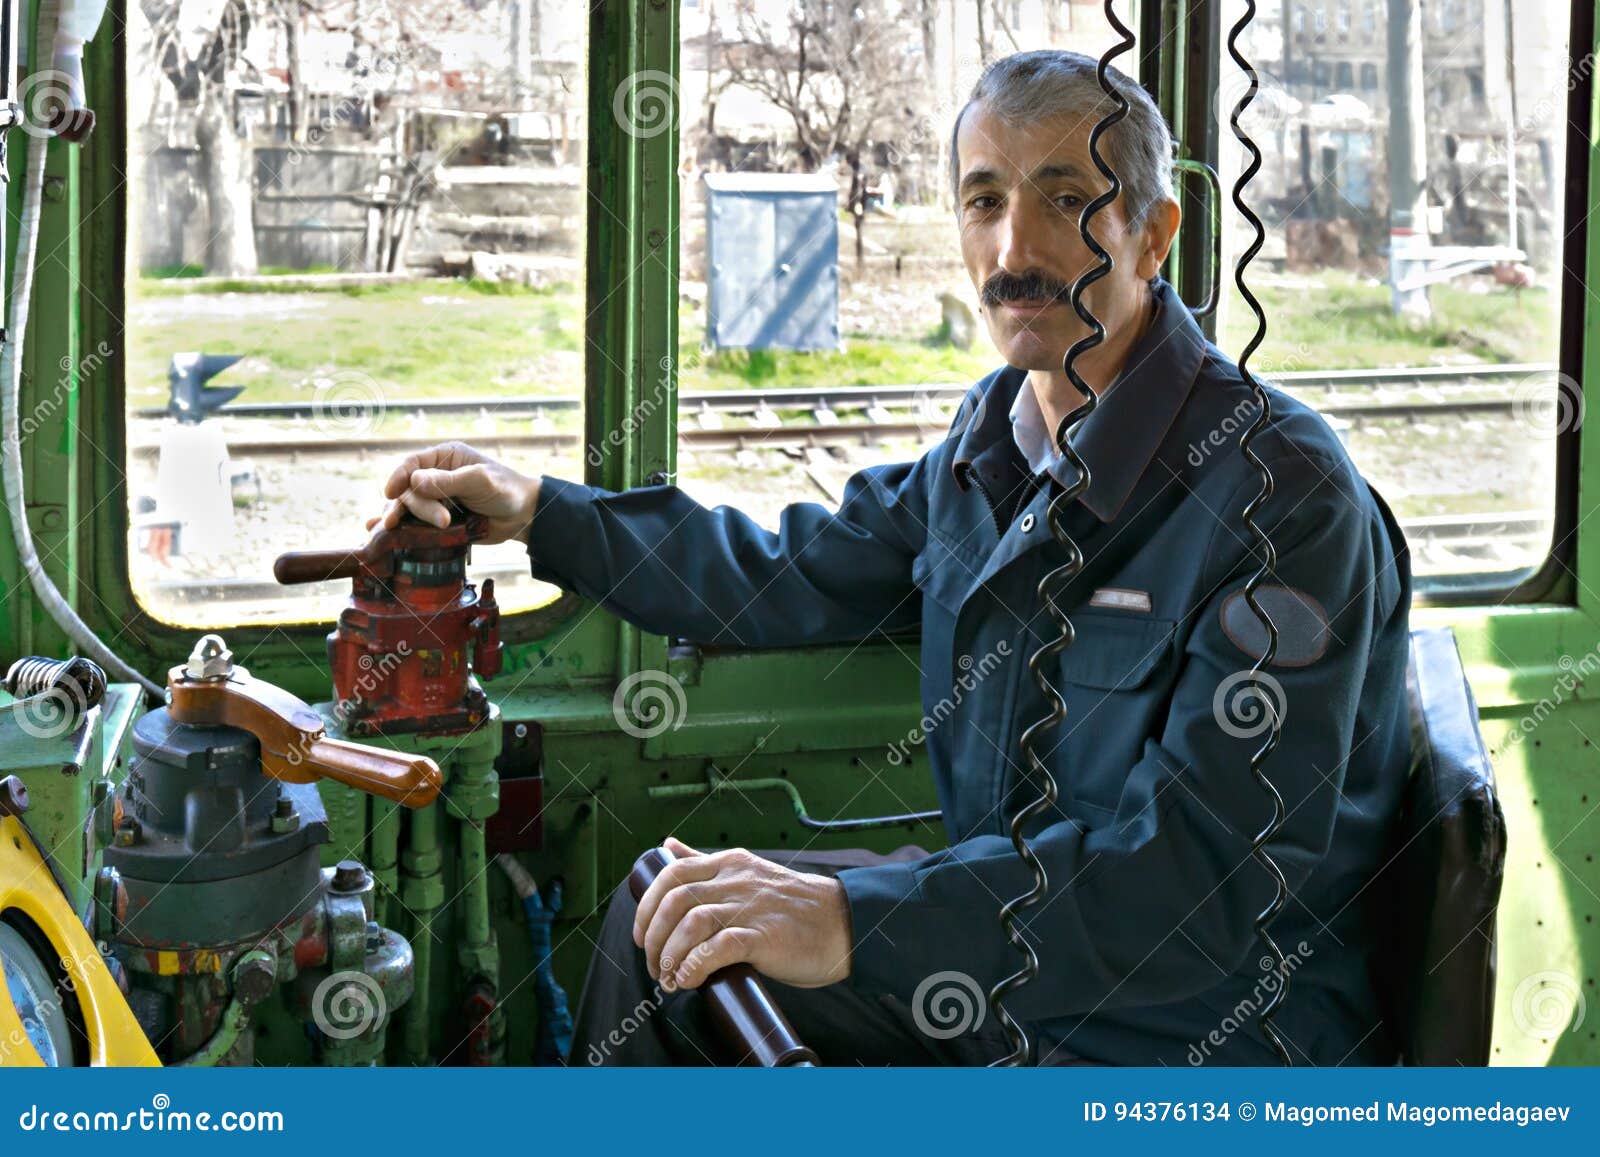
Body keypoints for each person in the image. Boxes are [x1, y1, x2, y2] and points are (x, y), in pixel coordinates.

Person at [371, 49, 1411, 1066]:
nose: (1016, 246)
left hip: (1195, 1026)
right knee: (669, 912)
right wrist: (545, 512)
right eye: (984, 199)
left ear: (1152, 235)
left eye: (1065, 199)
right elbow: (785, 570)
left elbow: (1197, 888)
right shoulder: (992, 442)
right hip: (1018, 964)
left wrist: (855, 923)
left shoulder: (1280, 494)